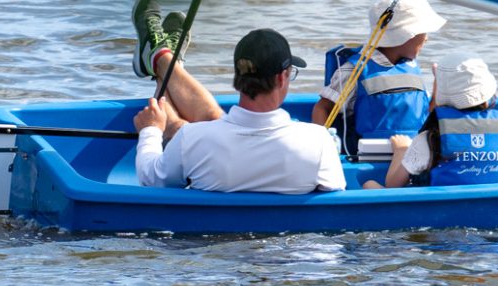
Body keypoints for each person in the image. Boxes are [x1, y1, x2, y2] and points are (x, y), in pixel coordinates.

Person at [131, 26, 344, 196]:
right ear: (281, 77)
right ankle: (164, 59)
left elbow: (152, 179)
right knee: (207, 124)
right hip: (287, 245)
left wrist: (150, 130)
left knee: (194, 129)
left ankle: (162, 61)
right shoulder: (318, 141)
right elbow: (335, 195)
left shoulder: (192, 138)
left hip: (206, 246)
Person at [312, 0, 445, 159]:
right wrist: (325, 145)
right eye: (423, 32)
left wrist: (437, 90)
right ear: (406, 35)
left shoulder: (412, 68)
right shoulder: (355, 70)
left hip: (412, 161)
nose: (426, 39)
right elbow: (322, 108)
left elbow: (425, 118)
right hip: (367, 160)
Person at [372, 57, 498, 189]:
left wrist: (401, 150)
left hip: (435, 210)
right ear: (486, 98)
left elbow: (392, 184)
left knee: (369, 184)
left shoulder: (429, 139)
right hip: (488, 206)